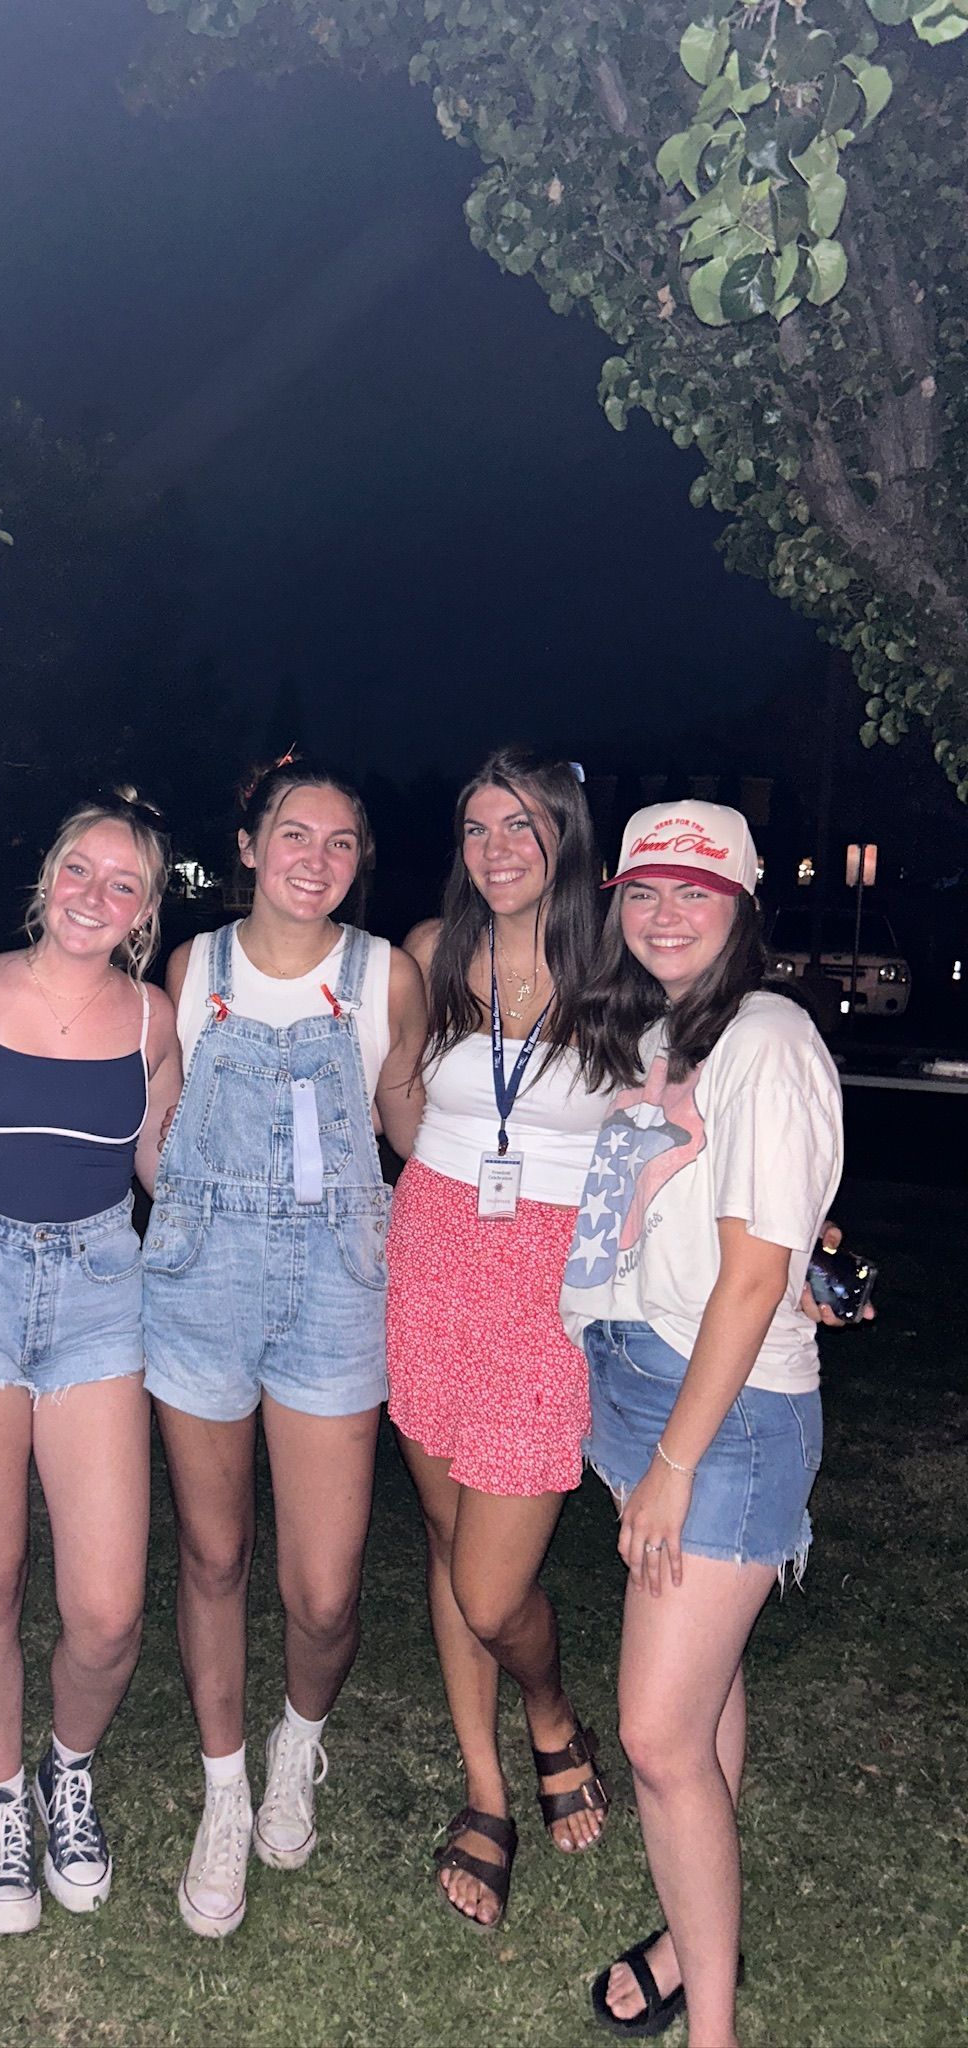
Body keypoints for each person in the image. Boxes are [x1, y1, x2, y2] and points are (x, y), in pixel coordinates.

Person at [559, 802, 842, 2046]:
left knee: (652, 1731)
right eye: (645, 891)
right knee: (702, 1686)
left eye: (697, 890)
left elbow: (752, 1276)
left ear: (743, 907)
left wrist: (672, 1462)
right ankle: (691, 1933)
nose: (666, 912)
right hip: (640, 1387)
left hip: (716, 1418)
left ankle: (713, 2026)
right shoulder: (661, 1032)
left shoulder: (767, 1036)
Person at [142, 758, 426, 1938]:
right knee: (215, 1557)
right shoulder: (191, 967)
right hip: (202, 1280)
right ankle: (224, 1790)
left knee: (323, 1589)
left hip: (333, 1291)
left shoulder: (384, 974)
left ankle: (298, 1738)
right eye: (293, 834)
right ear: (249, 843)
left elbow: (414, 1123)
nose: (315, 858)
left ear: (361, 861)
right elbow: (151, 1133)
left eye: (342, 841)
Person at [0, 797, 181, 1935]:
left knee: (108, 1608)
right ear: (49, 871)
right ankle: (2, 1798)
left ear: (145, 908)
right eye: (83, 868)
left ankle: (71, 1766)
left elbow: (164, 1160)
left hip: (101, 1290)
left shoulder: (155, 1018)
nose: (96, 894)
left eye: (124, 883)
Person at [384, 748, 618, 1930]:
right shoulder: (437, 948)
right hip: (434, 1256)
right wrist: (428, 1161)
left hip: (551, 1284)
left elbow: (684, 1112)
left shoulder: (619, 962)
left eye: (521, 824)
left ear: (566, 833)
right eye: (477, 826)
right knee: (443, 1527)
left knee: (491, 1583)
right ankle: (487, 1784)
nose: (497, 847)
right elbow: (398, 1093)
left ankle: (551, 1707)